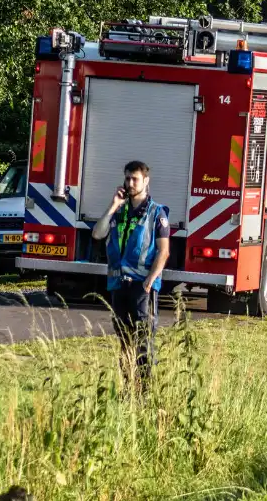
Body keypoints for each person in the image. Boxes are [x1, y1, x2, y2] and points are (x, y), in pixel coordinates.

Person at [91, 160, 170, 387]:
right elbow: (97, 234)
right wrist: (113, 205)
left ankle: (144, 390)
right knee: (124, 340)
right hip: (119, 285)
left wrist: (150, 281)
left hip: (142, 286)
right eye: (127, 178)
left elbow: (163, 252)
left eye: (135, 179)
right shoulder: (120, 211)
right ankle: (128, 388)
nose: (130, 183)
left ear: (146, 181)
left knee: (143, 340)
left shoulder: (157, 213)